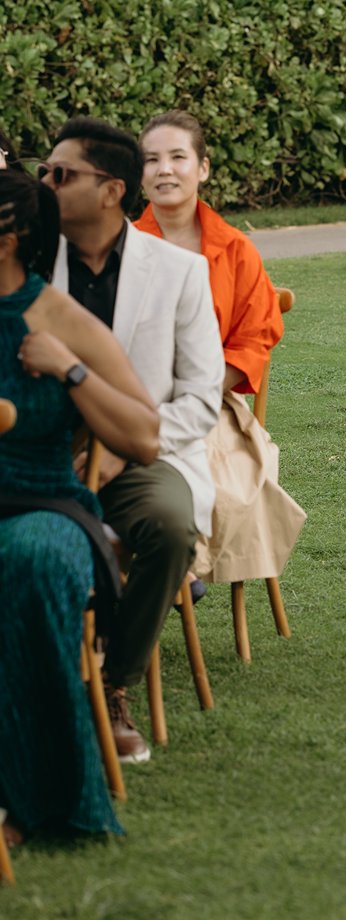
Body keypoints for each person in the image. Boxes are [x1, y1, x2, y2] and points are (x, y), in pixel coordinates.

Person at [44, 117, 224, 765]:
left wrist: (121, 445)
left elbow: (202, 399)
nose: (45, 183)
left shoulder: (180, 272)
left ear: (111, 190)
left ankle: (112, 681)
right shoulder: (27, 260)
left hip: (143, 456)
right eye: (44, 171)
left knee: (172, 528)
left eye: (60, 174)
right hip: (43, 455)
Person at [0, 163, 159, 853]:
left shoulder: (60, 318)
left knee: (32, 561)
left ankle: (34, 795)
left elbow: (145, 437)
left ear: (9, 236)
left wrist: (69, 369)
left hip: (44, 504)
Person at [136, 111, 304, 588]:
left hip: (212, 400)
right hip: (130, 399)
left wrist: (196, 389)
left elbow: (254, 339)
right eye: (151, 160)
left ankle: (177, 562)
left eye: (177, 157)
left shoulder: (236, 250)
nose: (164, 169)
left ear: (202, 168)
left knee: (196, 457)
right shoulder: (121, 247)